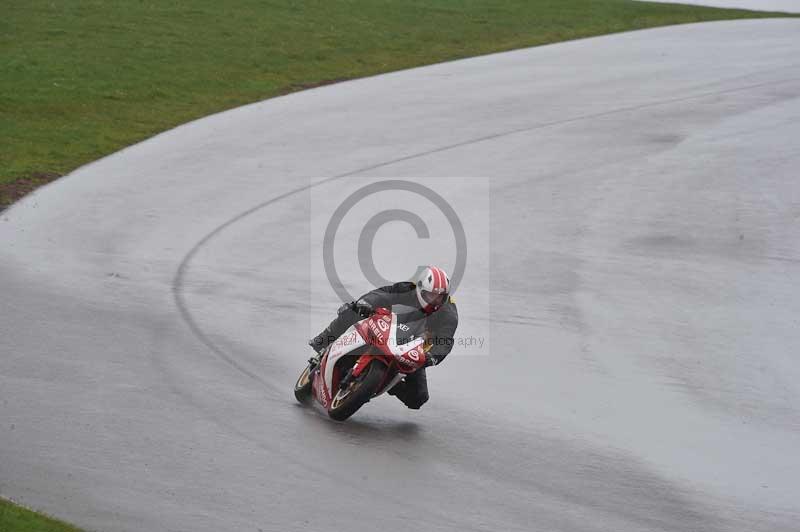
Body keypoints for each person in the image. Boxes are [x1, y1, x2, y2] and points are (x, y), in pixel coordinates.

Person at [308, 266, 458, 409]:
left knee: (418, 398)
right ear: (420, 289)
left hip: (412, 350)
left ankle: (385, 383)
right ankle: (324, 340)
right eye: (431, 295)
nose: (434, 300)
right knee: (352, 310)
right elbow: (383, 294)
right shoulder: (408, 290)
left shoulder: (448, 313)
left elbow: (445, 340)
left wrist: (432, 357)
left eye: (440, 297)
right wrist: (365, 303)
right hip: (385, 328)